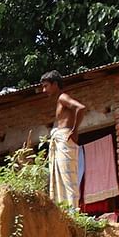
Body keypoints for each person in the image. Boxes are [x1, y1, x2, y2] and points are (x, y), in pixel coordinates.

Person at [37, 70, 88, 209]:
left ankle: (73, 212)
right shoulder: (60, 99)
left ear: (55, 84)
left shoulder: (63, 97)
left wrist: (74, 130)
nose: (44, 90)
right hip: (62, 139)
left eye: (46, 86)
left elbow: (81, 108)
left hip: (64, 139)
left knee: (68, 178)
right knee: (62, 177)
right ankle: (65, 210)